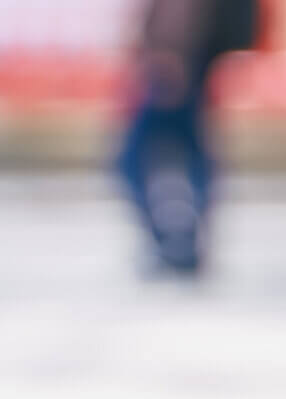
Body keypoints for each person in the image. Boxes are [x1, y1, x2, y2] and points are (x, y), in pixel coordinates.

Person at [116, 0, 262, 274]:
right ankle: (184, 240)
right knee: (189, 148)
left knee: (134, 157)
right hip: (190, 57)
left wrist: (169, 52)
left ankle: (177, 240)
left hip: (177, 61)